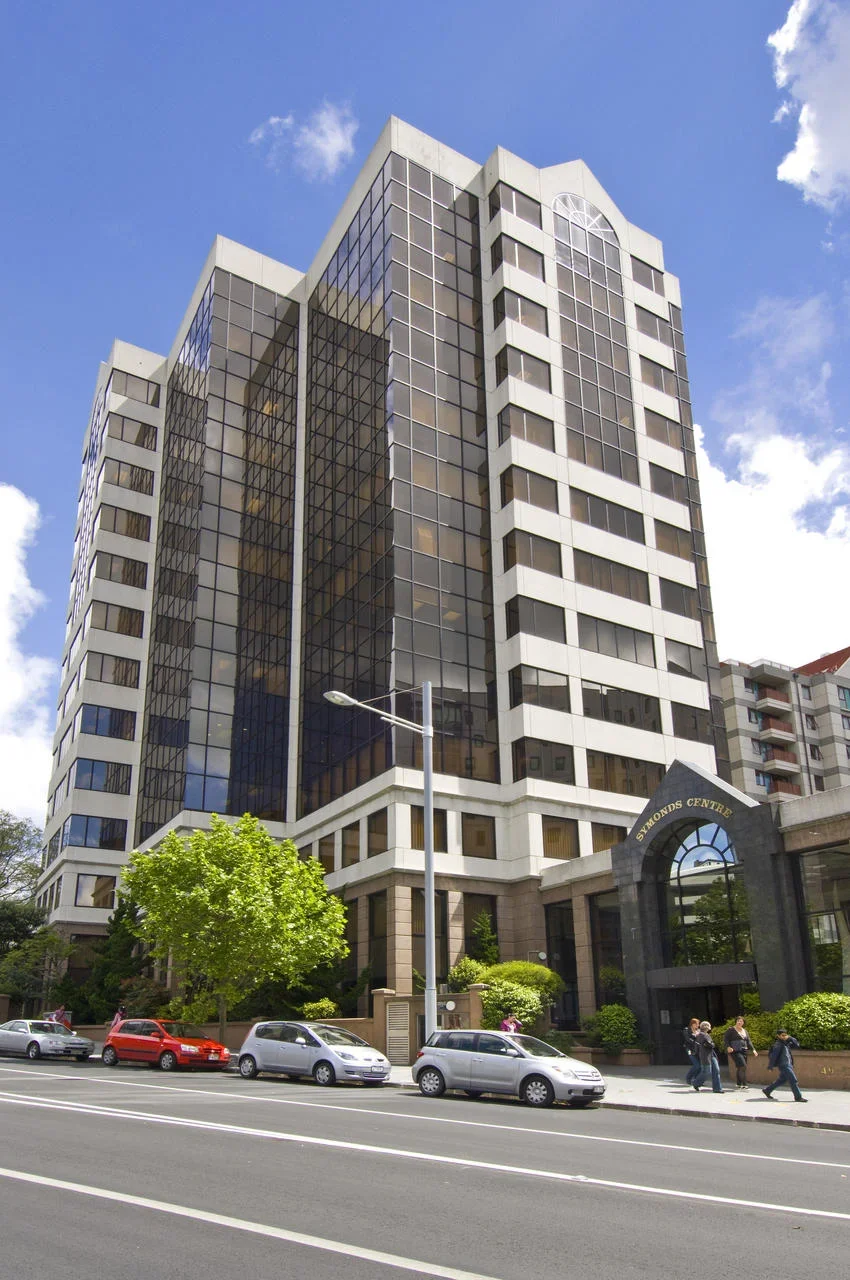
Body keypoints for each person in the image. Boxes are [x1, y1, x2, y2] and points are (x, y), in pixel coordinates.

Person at [763, 1029, 807, 1103]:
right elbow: (774, 1056)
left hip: (789, 1065)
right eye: (782, 1035)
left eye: (785, 1035)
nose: (784, 1037)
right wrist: (770, 1066)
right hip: (784, 1065)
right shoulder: (778, 1044)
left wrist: (790, 1038)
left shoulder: (786, 1043)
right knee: (793, 1080)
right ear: (778, 1036)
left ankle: (767, 1090)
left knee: (782, 1080)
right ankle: (798, 1097)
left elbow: (797, 1045)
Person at [723, 1015, 758, 1089]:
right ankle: (744, 1084)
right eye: (738, 1021)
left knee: (740, 1067)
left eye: (741, 1021)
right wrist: (728, 1047)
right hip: (735, 1051)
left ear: (743, 1023)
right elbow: (726, 1039)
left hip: (744, 1050)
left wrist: (753, 1050)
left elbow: (748, 1041)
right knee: (743, 1066)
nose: (739, 1022)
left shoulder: (745, 1031)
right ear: (736, 1022)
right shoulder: (731, 1030)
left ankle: (738, 1084)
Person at [692, 1020, 723, 1093]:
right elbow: (711, 1045)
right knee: (707, 1071)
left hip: (709, 1055)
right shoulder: (703, 1035)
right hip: (706, 1056)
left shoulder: (700, 1035)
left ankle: (717, 1089)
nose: (708, 1028)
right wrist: (712, 1044)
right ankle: (696, 1083)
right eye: (707, 1026)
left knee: (715, 1071)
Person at [683, 1017, 701, 1087]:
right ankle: (688, 1078)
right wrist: (695, 1042)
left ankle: (696, 1079)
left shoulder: (698, 1031)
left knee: (699, 1065)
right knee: (696, 1065)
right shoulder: (686, 1030)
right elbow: (687, 1039)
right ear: (692, 1024)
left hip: (697, 1049)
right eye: (697, 1024)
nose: (698, 1025)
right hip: (689, 1049)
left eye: (698, 1024)